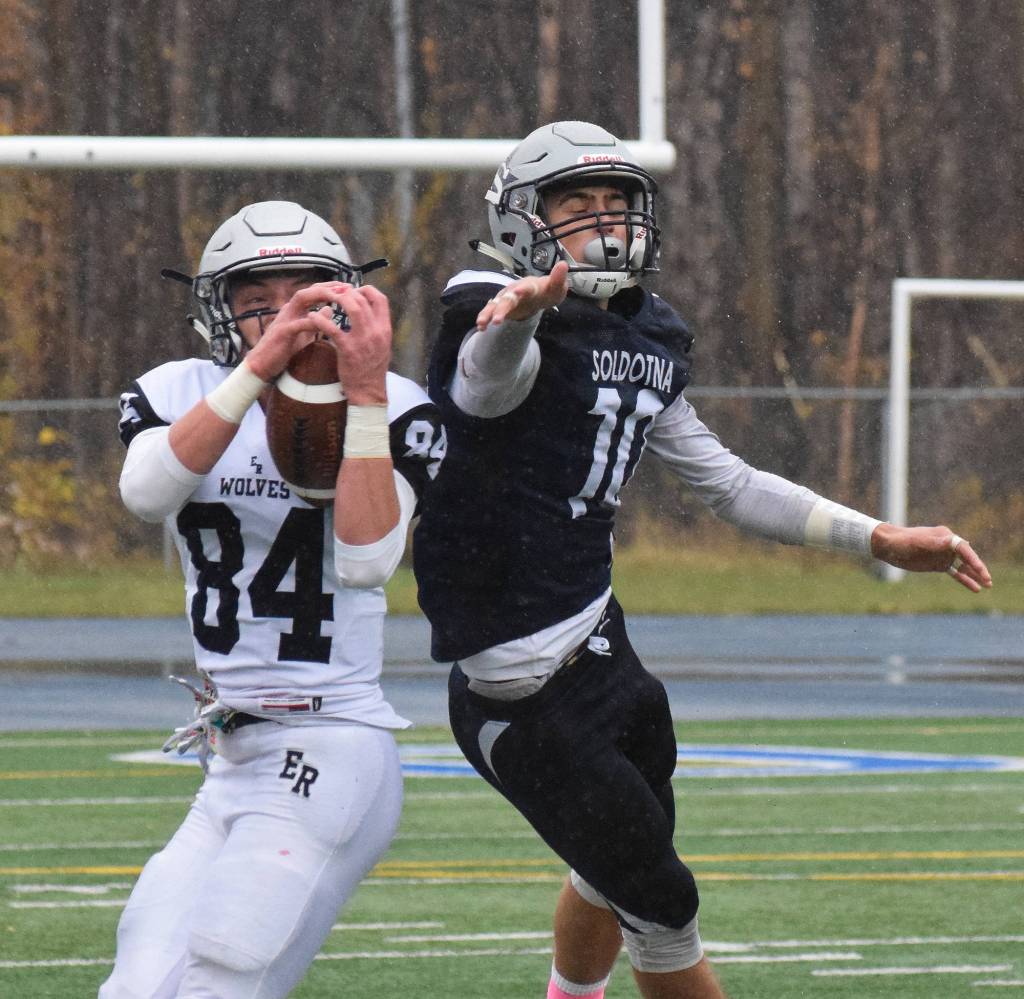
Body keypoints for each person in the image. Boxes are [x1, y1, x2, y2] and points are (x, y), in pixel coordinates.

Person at [412, 121, 992, 999]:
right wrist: (522, 314)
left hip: (604, 650)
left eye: (617, 202)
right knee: (665, 903)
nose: (604, 221)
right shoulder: (490, 310)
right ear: (524, 219)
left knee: (613, 874)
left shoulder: (645, 333)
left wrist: (881, 538)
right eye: (578, 203)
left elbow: (729, 482)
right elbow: (486, 387)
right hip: (519, 690)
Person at [101, 200, 445, 999]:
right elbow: (148, 493)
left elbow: (366, 560)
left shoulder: (396, 404)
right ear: (219, 304)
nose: (286, 309)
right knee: (136, 987)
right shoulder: (176, 388)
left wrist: (360, 396)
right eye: (260, 291)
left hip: (330, 742)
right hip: (232, 754)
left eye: (305, 288)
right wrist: (257, 374)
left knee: (223, 979)